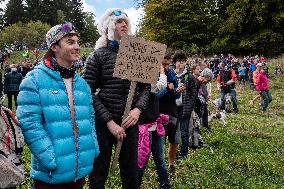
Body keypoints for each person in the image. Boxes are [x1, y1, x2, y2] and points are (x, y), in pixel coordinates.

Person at [16, 22, 100, 188]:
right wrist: (49, 158)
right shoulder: (34, 80)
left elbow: (90, 119)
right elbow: (29, 123)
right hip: (50, 175)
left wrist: (93, 148)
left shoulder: (82, 84)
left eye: (77, 42)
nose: (77, 47)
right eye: (70, 42)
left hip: (80, 170)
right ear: (54, 46)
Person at [82, 8, 150, 189]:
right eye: (119, 22)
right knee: (98, 174)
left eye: (126, 22)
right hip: (105, 125)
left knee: (131, 174)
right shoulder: (97, 56)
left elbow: (145, 87)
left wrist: (138, 109)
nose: (124, 25)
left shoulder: (137, 55)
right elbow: (87, 91)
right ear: (108, 27)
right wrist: (108, 121)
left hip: (130, 123)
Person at [137, 63, 170, 189]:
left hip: (155, 122)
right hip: (144, 127)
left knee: (160, 160)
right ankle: (136, 184)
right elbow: (159, 87)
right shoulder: (142, 82)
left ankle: (165, 185)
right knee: (142, 161)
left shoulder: (150, 80)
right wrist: (162, 73)